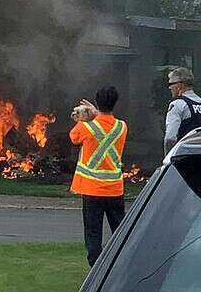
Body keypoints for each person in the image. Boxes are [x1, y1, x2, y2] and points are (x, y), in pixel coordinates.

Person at [69, 86, 128, 267]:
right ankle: (123, 264)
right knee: (120, 231)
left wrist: (86, 117)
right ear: (115, 102)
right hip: (115, 190)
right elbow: (106, 125)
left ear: (96, 101)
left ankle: (96, 269)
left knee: (93, 233)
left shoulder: (87, 127)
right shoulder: (122, 127)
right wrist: (96, 113)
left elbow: (74, 137)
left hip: (92, 190)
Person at [164, 67, 201, 155]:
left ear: (179, 85)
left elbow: (170, 138)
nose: (169, 88)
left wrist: (168, 159)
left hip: (186, 158)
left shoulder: (178, 104)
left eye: (171, 84)